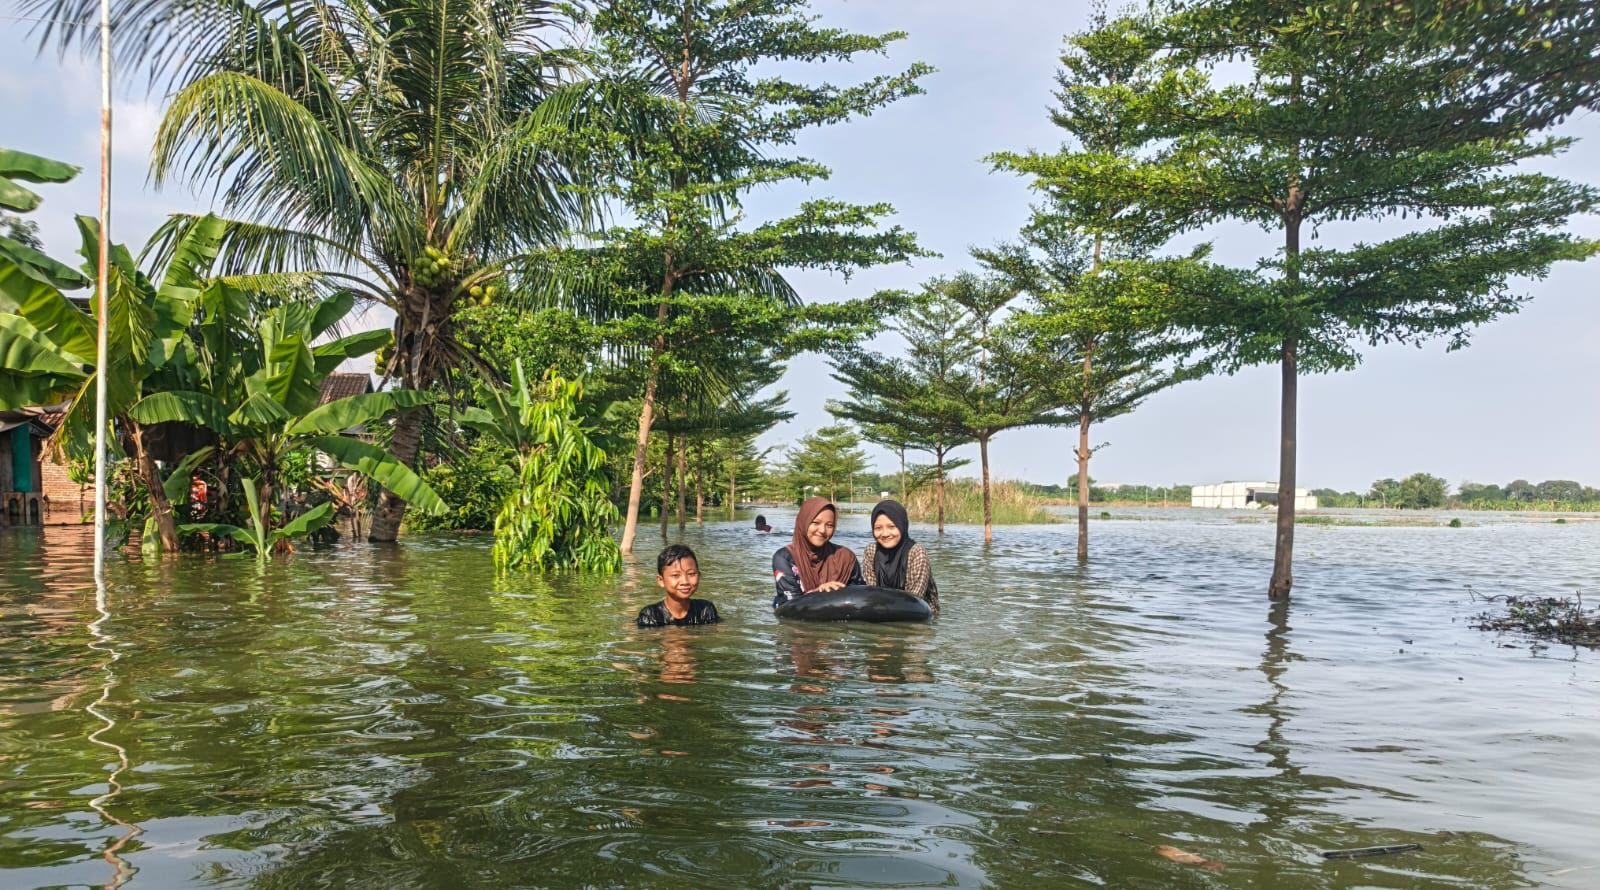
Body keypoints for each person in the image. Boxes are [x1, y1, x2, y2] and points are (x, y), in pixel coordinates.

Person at [772, 497, 863, 608]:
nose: (822, 530)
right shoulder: (784, 558)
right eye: (815, 523)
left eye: (829, 525)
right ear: (803, 522)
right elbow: (790, 607)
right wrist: (819, 593)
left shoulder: (846, 557)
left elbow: (861, 598)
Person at [861, 499, 940, 616]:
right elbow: (872, 592)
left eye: (891, 526)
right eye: (878, 528)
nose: (885, 533)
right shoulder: (871, 552)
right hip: (882, 610)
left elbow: (915, 598)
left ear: (902, 525)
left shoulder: (917, 552)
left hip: (918, 614)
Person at [637, 544, 721, 627]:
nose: (685, 581)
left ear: (699, 575)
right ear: (661, 581)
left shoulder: (705, 610)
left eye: (691, 574)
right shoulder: (650, 615)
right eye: (675, 575)